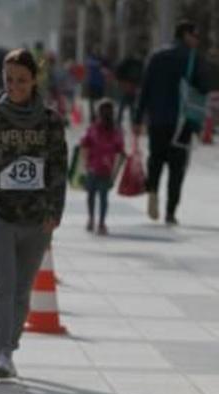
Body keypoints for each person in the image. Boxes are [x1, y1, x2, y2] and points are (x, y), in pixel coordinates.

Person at [0, 48, 67, 379]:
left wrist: (54, 211)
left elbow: (59, 170)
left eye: (22, 79)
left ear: (34, 79)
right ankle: (2, 351)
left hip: (36, 218)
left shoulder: (50, 122)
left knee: (23, 289)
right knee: (2, 285)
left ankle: (12, 342)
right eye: (9, 79)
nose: (15, 85)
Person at [134, 20, 206, 225]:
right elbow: (201, 92)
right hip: (182, 122)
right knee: (177, 167)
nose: (197, 40)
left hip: (157, 119)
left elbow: (145, 88)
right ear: (185, 35)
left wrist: (138, 118)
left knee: (156, 159)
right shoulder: (192, 59)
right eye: (195, 36)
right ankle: (170, 211)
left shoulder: (157, 56)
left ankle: (153, 191)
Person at [80, 99, 124, 235]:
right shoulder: (113, 131)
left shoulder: (96, 129)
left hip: (96, 169)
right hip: (101, 169)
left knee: (94, 196)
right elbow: (120, 152)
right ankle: (98, 222)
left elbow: (84, 145)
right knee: (100, 198)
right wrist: (115, 174)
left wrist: (83, 166)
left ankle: (95, 221)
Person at [115, 48, 145, 126]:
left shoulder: (139, 64)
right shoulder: (129, 62)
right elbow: (119, 71)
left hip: (133, 85)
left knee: (131, 104)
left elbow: (142, 75)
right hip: (127, 84)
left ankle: (131, 121)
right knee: (124, 103)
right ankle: (119, 121)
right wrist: (122, 82)